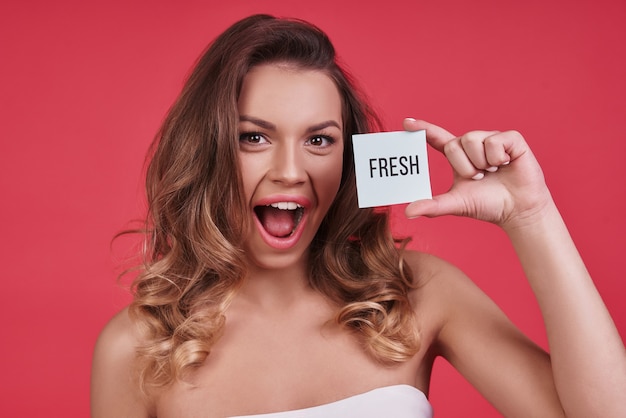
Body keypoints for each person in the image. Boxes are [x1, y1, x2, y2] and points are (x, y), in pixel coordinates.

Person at [90, 14, 626, 418]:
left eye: (319, 140)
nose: (291, 170)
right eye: (253, 137)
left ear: (348, 159)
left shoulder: (415, 292)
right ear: (206, 151)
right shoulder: (137, 348)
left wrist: (531, 216)